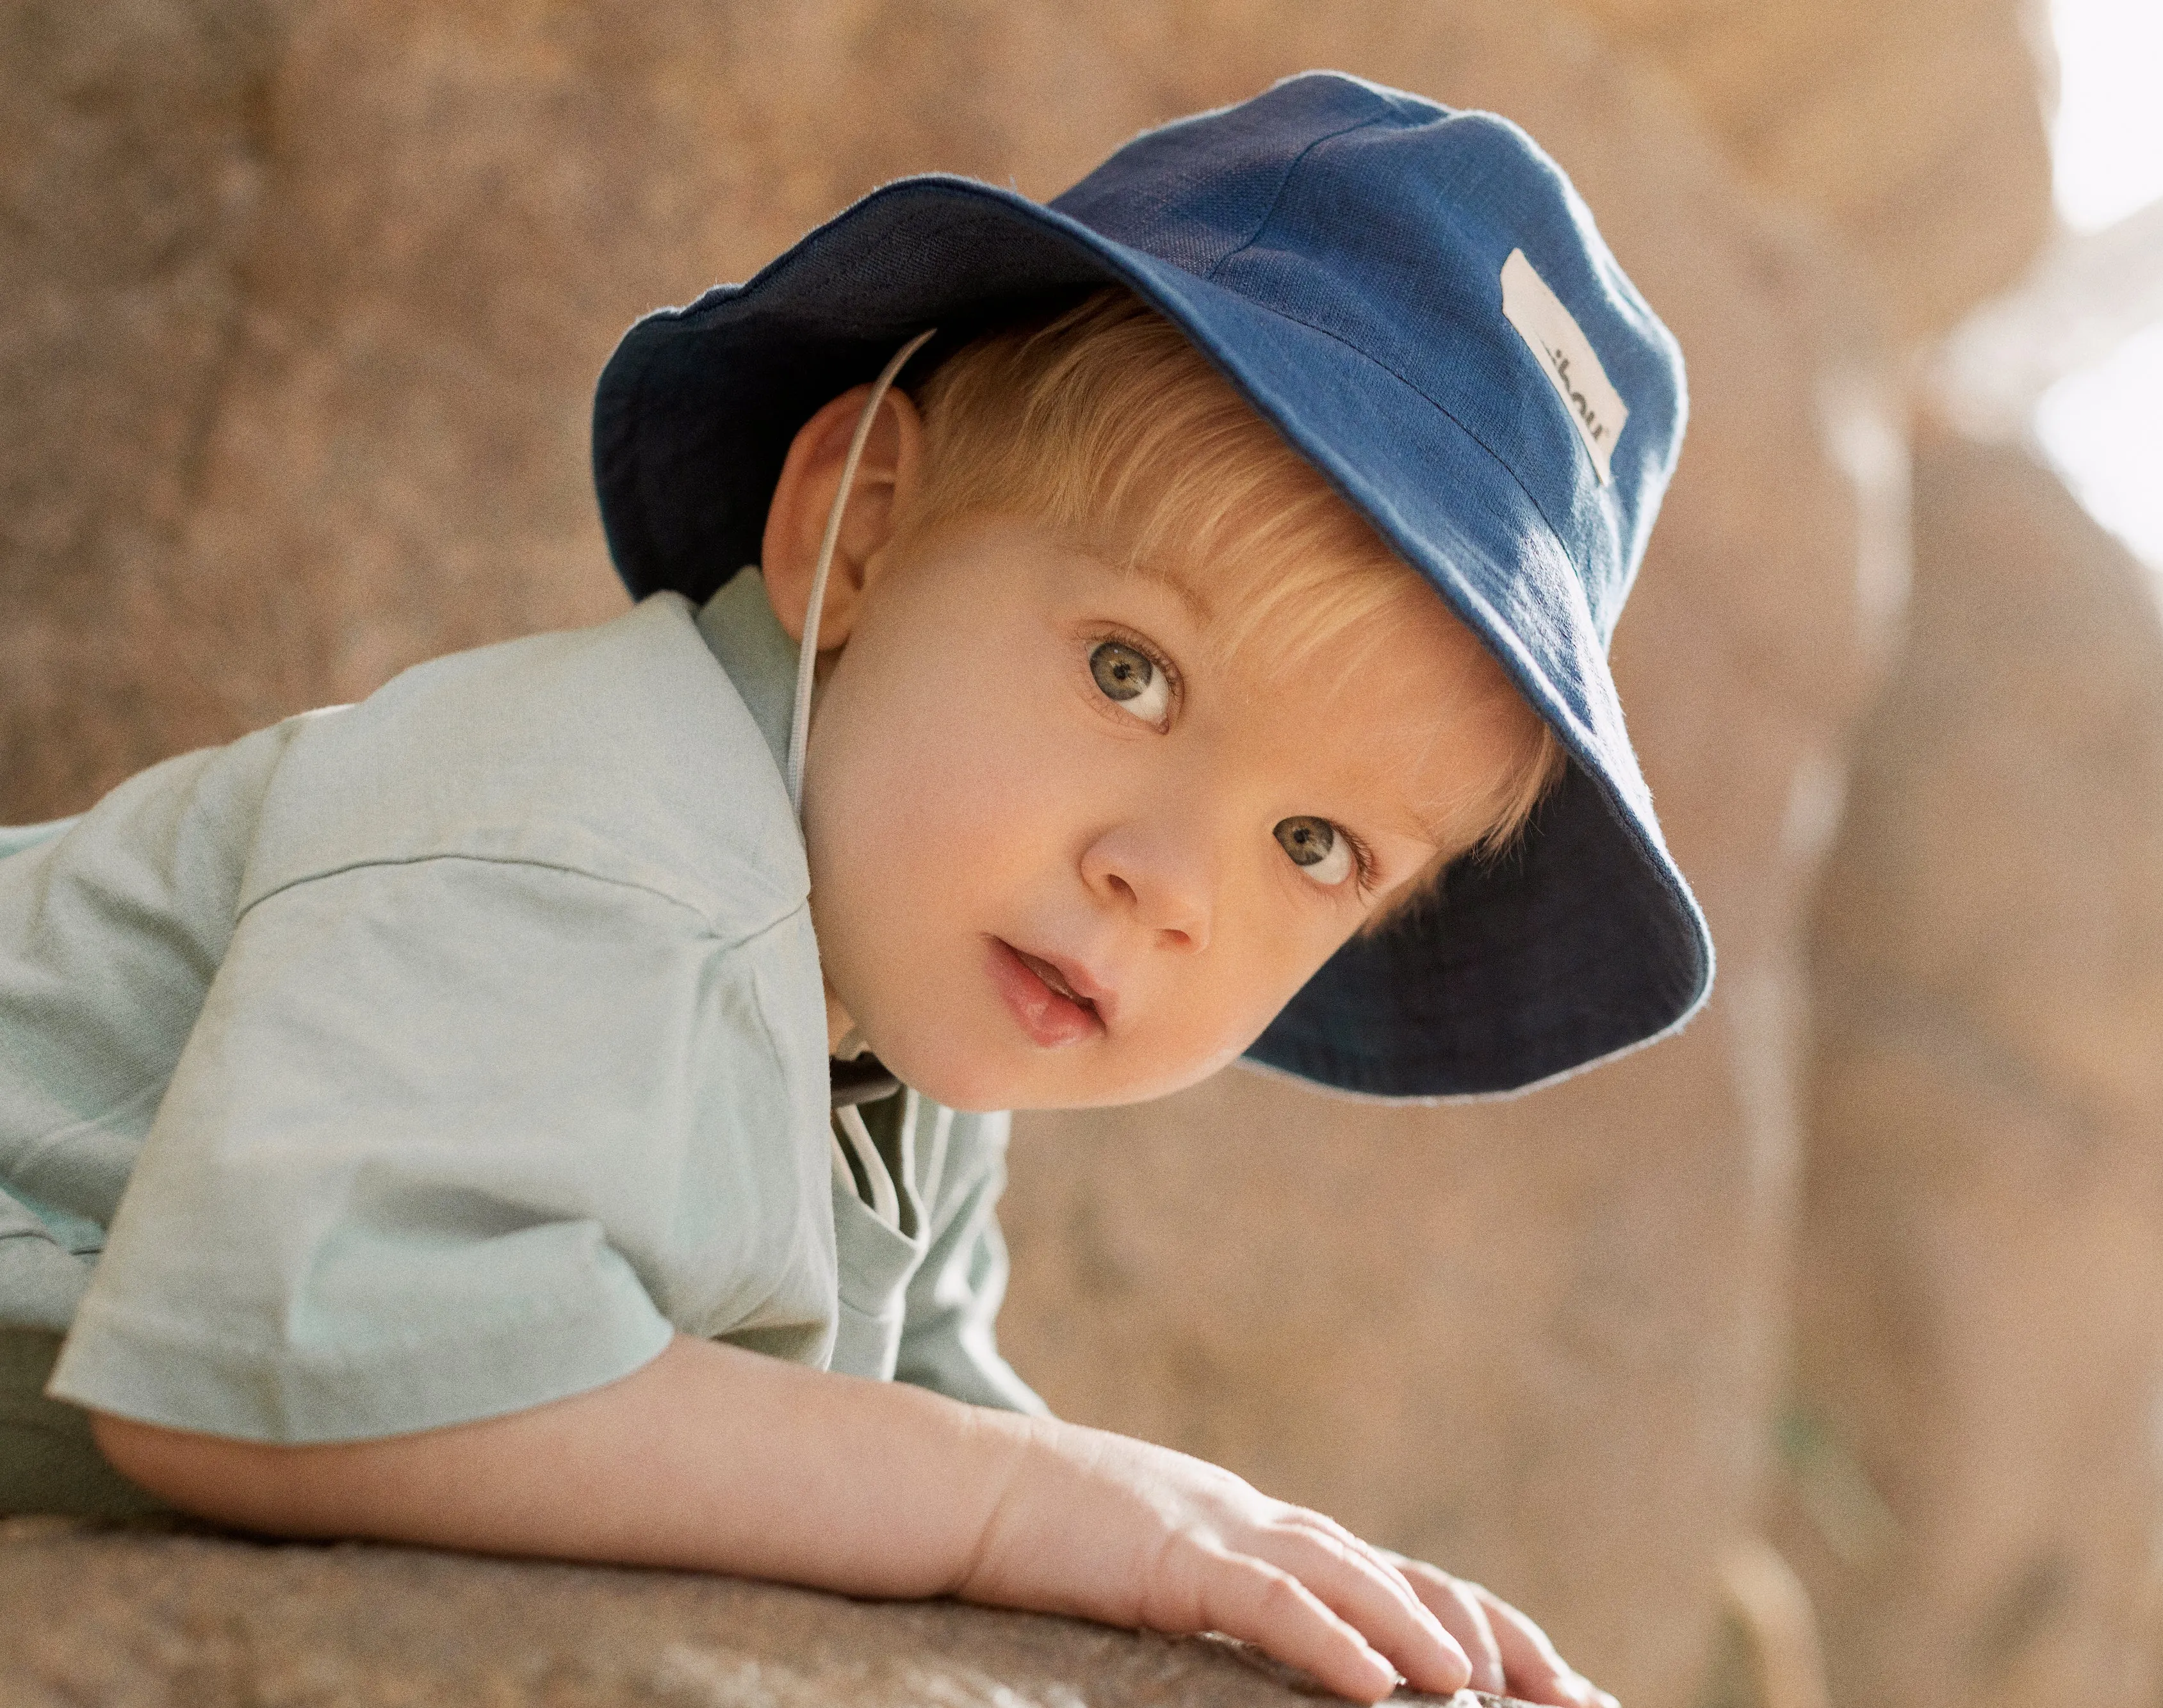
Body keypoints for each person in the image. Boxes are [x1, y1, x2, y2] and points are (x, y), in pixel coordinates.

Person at [0, 72, 1710, 1708]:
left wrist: (1241, 1565)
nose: (1165, 881)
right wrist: (1020, 1509)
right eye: (1132, 672)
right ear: (859, 526)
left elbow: (905, 1433)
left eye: (1317, 845)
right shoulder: (588, 827)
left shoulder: (900, 1013)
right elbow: (278, 1380)